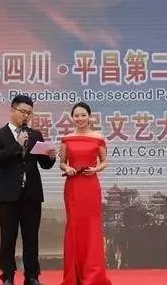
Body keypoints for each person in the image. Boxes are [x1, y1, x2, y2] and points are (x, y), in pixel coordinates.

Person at [0, 95, 57, 285]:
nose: (26, 116)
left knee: (31, 238)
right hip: (9, 195)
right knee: (8, 237)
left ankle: (32, 276)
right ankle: (8, 276)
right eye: (23, 112)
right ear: (12, 110)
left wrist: (51, 157)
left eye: (29, 113)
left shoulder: (35, 135)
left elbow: (44, 164)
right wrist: (17, 145)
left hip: (32, 195)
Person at [58, 102, 112, 285]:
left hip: (90, 186)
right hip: (73, 186)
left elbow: (104, 162)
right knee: (74, 227)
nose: (80, 118)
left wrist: (95, 169)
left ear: (89, 116)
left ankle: (93, 275)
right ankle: (74, 276)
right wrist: (68, 168)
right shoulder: (67, 139)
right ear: (72, 118)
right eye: (76, 116)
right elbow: (62, 162)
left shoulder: (98, 138)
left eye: (83, 115)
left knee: (92, 228)